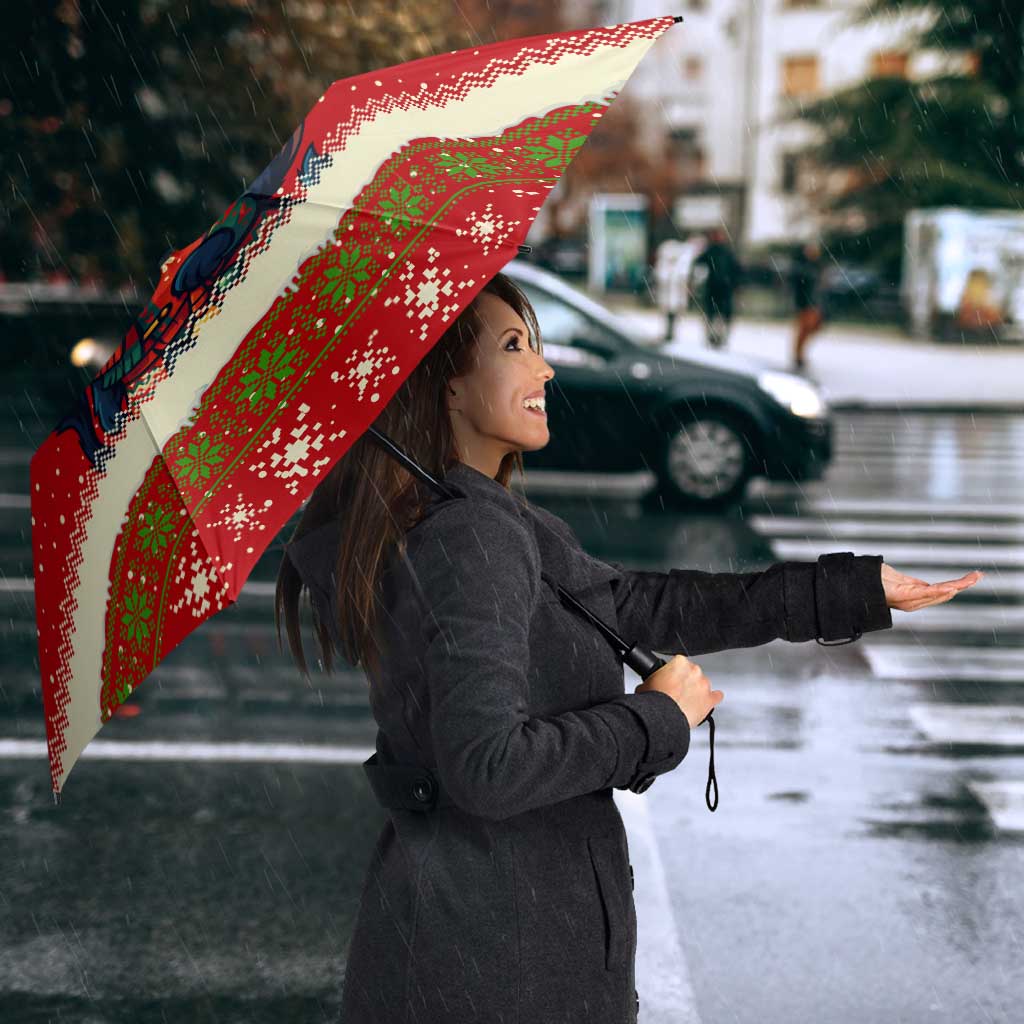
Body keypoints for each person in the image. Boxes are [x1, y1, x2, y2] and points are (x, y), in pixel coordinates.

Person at [277, 271, 907, 1024]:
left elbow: (638, 604)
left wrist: (849, 592)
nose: (544, 368)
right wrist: (656, 719)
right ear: (446, 385)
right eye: (514, 346)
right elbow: (488, 768)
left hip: (474, 942)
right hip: (501, 962)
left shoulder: (474, 516)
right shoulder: (469, 536)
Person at [692, 226, 742, 349]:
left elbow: (736, 270)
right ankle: (713, 337)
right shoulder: (712, 251)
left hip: (723, 288)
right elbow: (698, 264)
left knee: (720, 315)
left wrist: (735, 284)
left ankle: (719, 337)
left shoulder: (725, 252)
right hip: (715, 288)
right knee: (713, 314)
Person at [790, 239, 826, 371]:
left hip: (814, 303)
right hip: (805, 303)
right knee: (804, 329)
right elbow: (799, 286)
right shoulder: (802, 267)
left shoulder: (817, 266)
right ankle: (798, 355)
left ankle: (800, 354)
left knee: (812, 328)